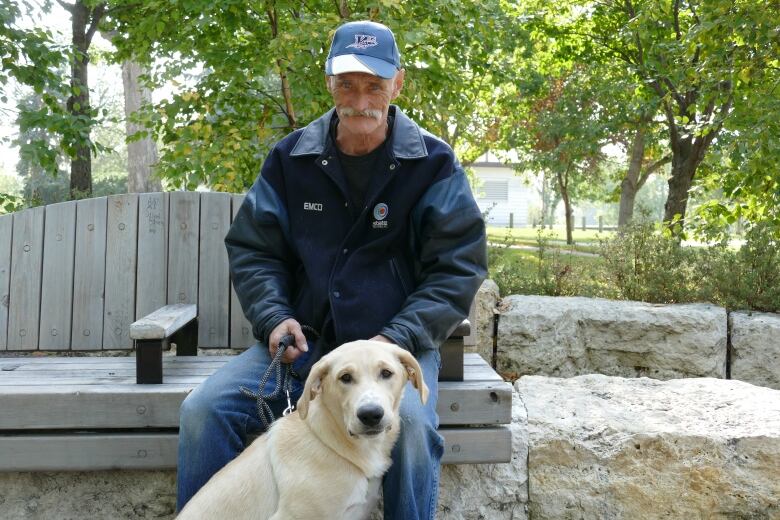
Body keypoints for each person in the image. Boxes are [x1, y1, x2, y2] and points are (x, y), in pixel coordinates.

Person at [176, 20, 487, 519]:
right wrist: (275, 316)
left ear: (398, 84)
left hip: (392, 353)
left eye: (374, 85)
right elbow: (254, 250)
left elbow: (457, 266)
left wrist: (399, 337)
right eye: (347, 84)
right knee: (202, 410)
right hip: (305, 349)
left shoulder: (433, 163)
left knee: (409, 426)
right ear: (329, 83)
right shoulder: (290, 158)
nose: (359, 99)